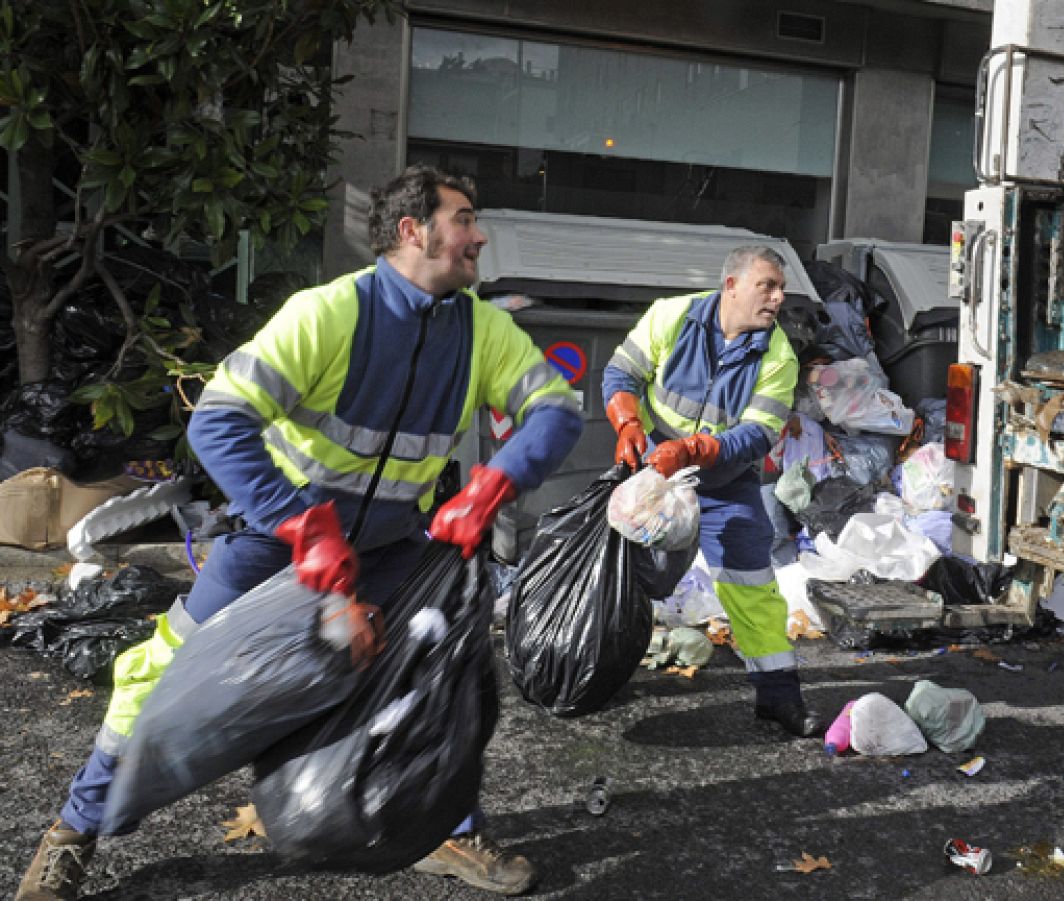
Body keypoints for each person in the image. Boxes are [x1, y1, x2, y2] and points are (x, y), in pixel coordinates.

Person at [17, 165, 582, 900]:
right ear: (413, 231)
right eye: (465, 219)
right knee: (160, 675)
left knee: (426, 674)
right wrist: (301, 522)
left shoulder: (482, 330)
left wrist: (493, 483)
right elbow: (219, 418)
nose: (478, 236)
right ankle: (73, 830)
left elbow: (557, 411)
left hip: (389, 548)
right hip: (274, 543)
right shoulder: (330, 313)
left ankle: (441, 824)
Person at [602, 245, 822, 739]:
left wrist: (694, 449)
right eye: (767, 285)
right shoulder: (672, 316)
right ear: (732, 286)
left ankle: (779, 698)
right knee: (622, 573)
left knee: (751, 586)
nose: (778, 297)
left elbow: (758, 434)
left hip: (725, 482)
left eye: (780, 287)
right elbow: (622, 373)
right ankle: (599, 669)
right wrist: (626, 421)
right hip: (652, 470)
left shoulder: (777, 353)